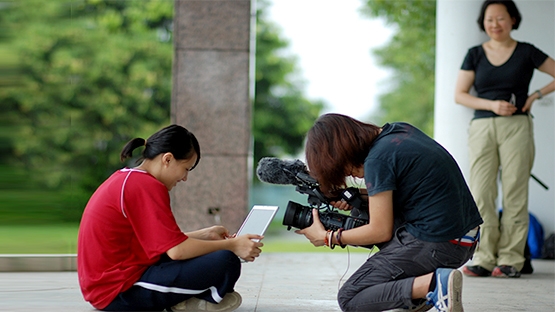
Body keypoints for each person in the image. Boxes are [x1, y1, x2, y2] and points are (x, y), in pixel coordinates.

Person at [296, 113, 483, 312]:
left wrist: (328, 237)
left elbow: (380, 231)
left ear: (342, 151)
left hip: (441, 244)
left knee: (350, 297)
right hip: (463, 237)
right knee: (362, 213)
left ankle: (433, 285)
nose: (348, 175)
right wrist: (356, 198)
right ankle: (420, 295)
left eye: (343, 169)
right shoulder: (398, 132)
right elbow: (406, 190)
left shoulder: (377, 160)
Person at [77, 124, 263, 312]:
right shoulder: (145, 185)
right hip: (118, 291)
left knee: (215, 255)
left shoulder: (129, 178)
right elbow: (177, 251)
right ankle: (193, 301)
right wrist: (232, 245)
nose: (185, 178)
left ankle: (189, 299)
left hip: (113, 283)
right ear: (167, 159)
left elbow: (161, 244)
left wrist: (205, 235)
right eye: (186, 168)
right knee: (225, 260)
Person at [454, 0, 555, 278]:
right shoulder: (474, 53)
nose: (494, 24)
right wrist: (492, 105)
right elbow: (459, 94)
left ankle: (511, 258)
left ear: (512, 19)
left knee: (515, 191)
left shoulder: (527, 52)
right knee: (482, 192)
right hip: (483, 127)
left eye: (500, 18)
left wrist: (536, 96)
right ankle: (484, 257)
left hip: (517, 127)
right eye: (489, 19)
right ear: (483, 22)